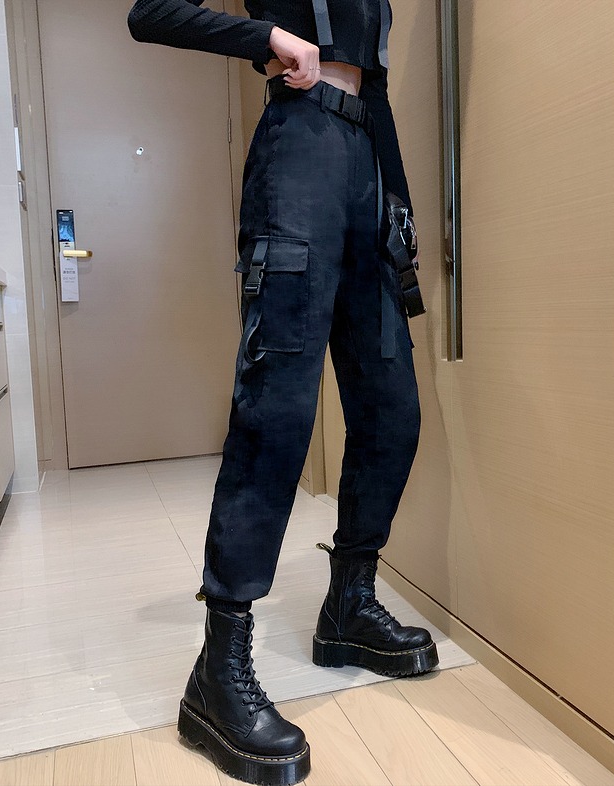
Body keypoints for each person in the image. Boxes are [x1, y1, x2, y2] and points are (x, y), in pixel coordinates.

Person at [127, 2, 438, 783]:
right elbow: (148, 12)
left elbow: (375, 85)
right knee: (278, 411)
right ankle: (218, 669)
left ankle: (349, 606)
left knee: (393, 410)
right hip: (299, 151)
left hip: (366, 163)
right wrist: (263, 36)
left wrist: (397, 204)